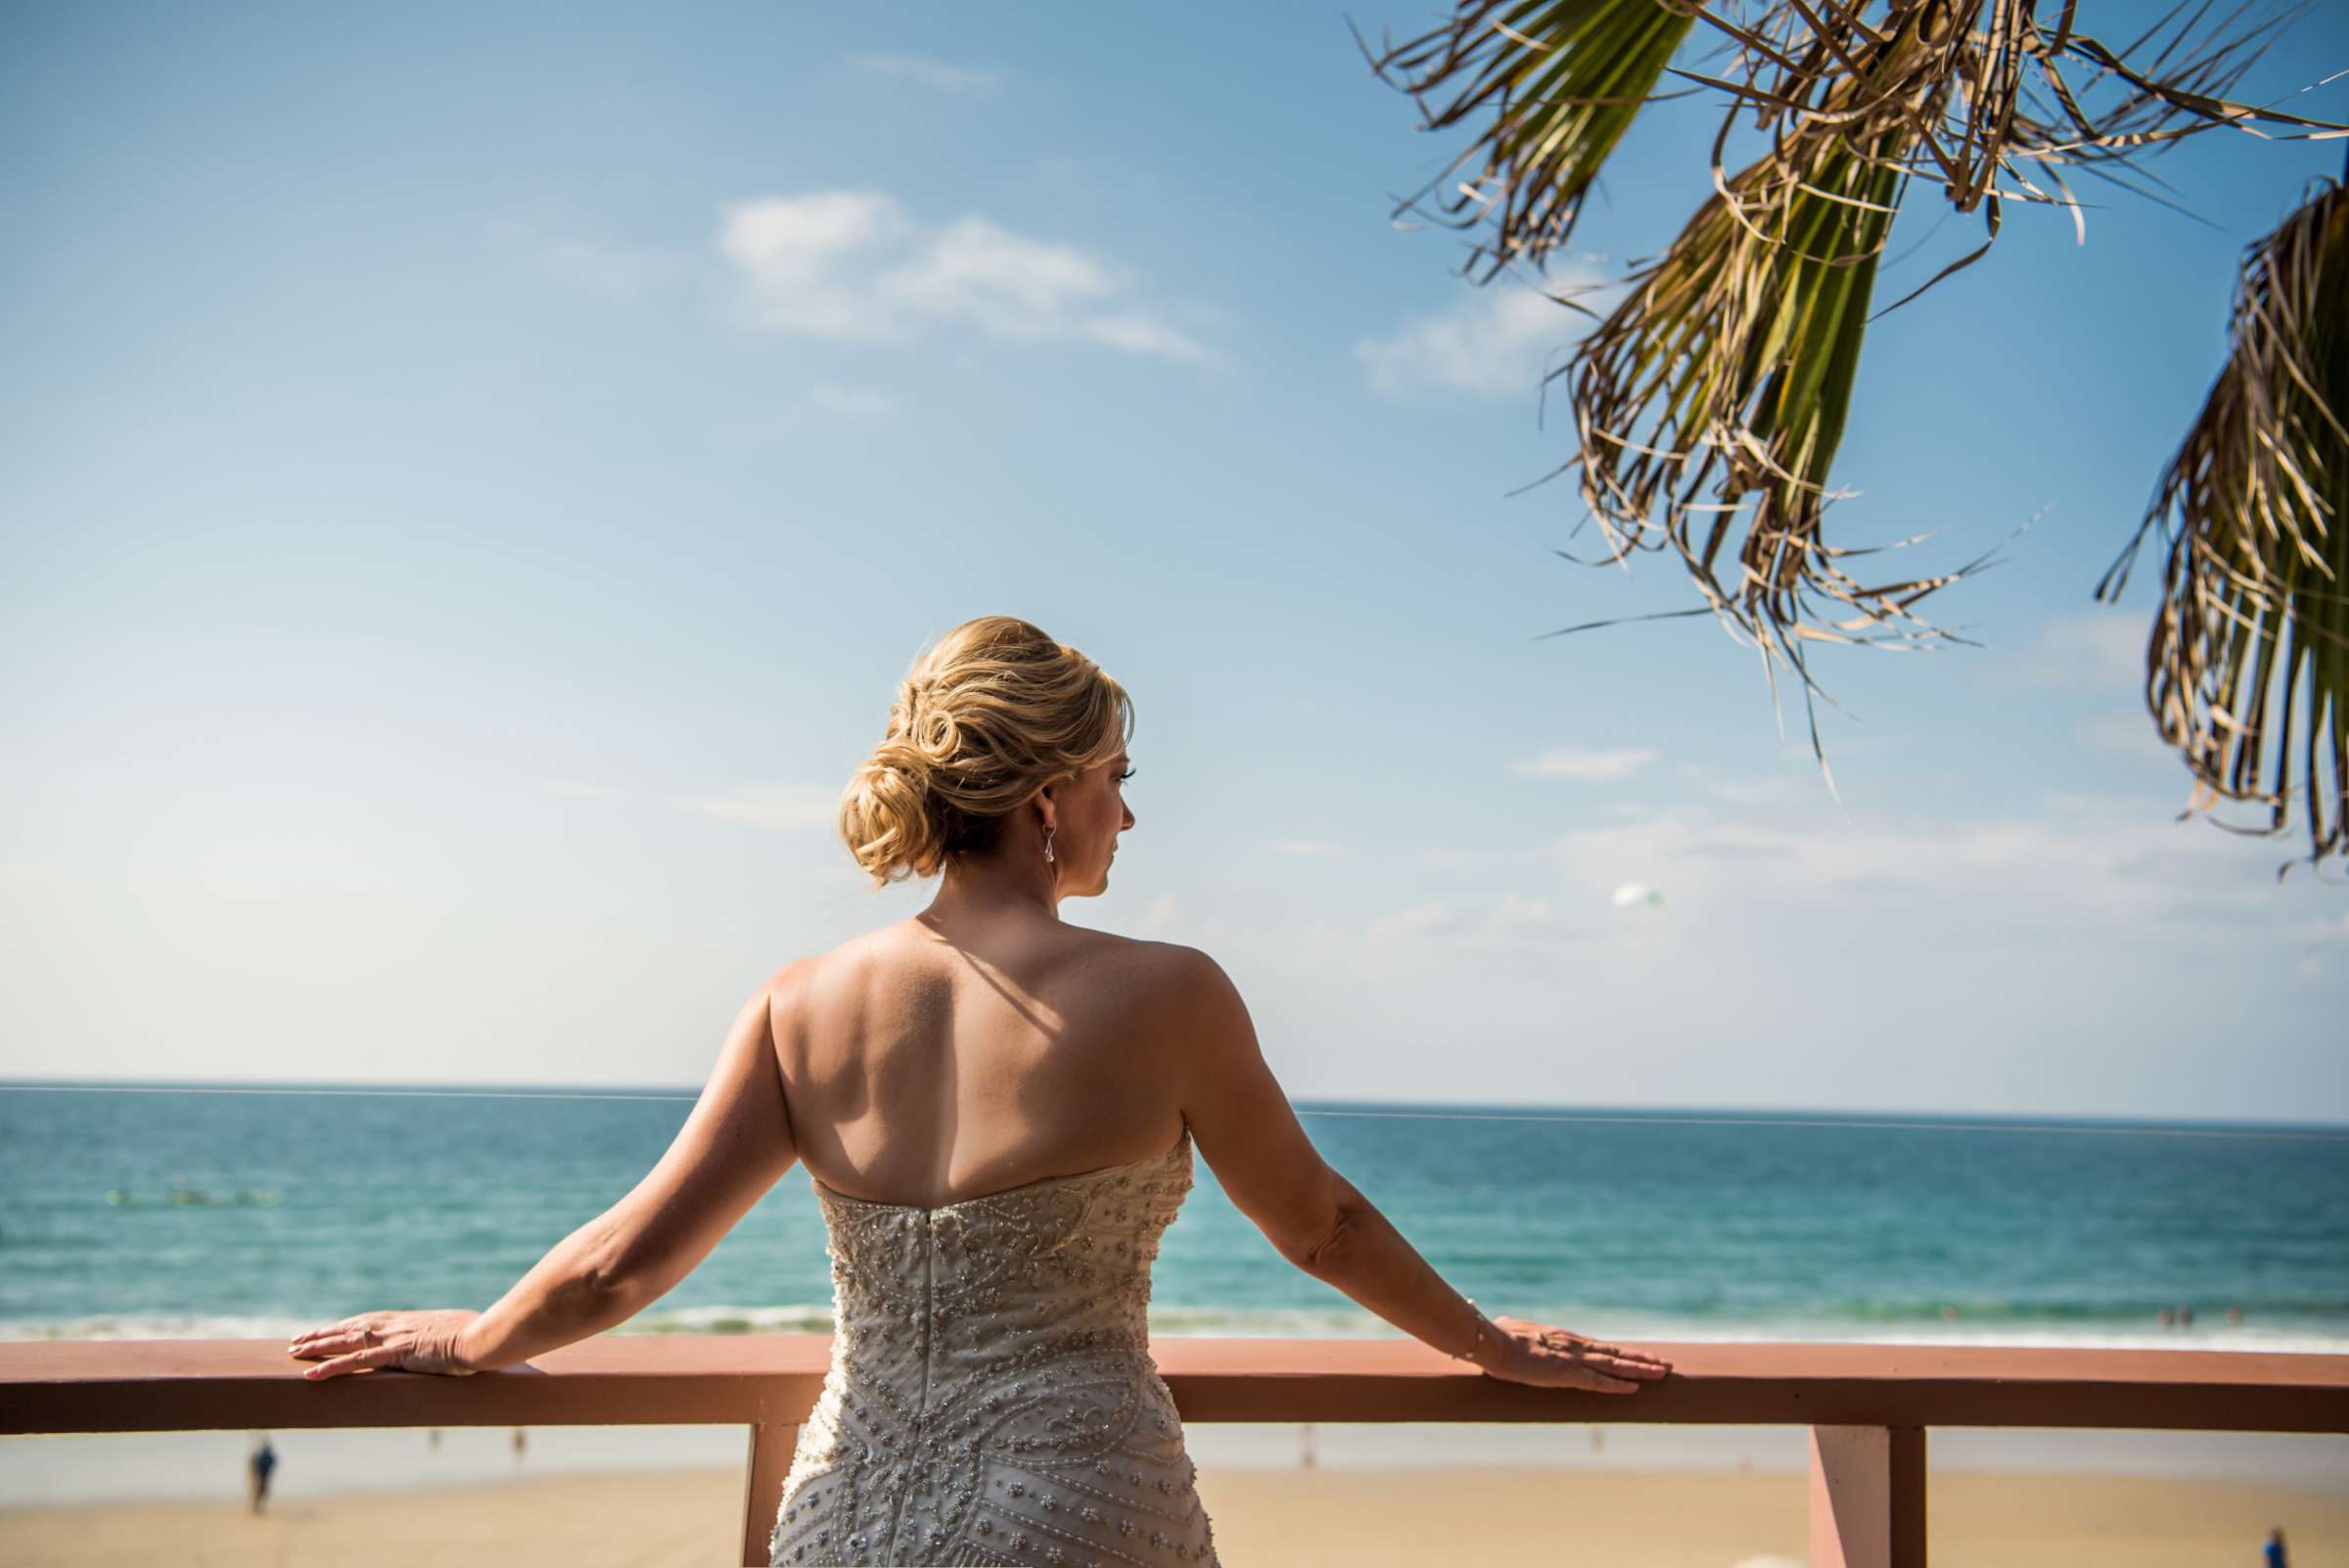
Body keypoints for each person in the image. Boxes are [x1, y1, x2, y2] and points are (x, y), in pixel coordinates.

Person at [283, 616, 1673, 1566]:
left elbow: (620, 1264)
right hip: (1079, 1508)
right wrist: (1490, 1344)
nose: (1128, 815)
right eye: (1119, 780)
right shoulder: (1170, 989)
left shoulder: (799, 999)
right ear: (1048, 793)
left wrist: (473, 1341)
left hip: (846, 1519)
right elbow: (1320, 1226)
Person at [246, 1431, 276, 1515]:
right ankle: (257, 1509)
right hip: (261, 1477)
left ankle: (257, 1509)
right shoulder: (263, 1455)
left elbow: (271, 1464)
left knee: (260, 1493)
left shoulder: (264, 1455)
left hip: (262, 1477)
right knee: (259, 1493)